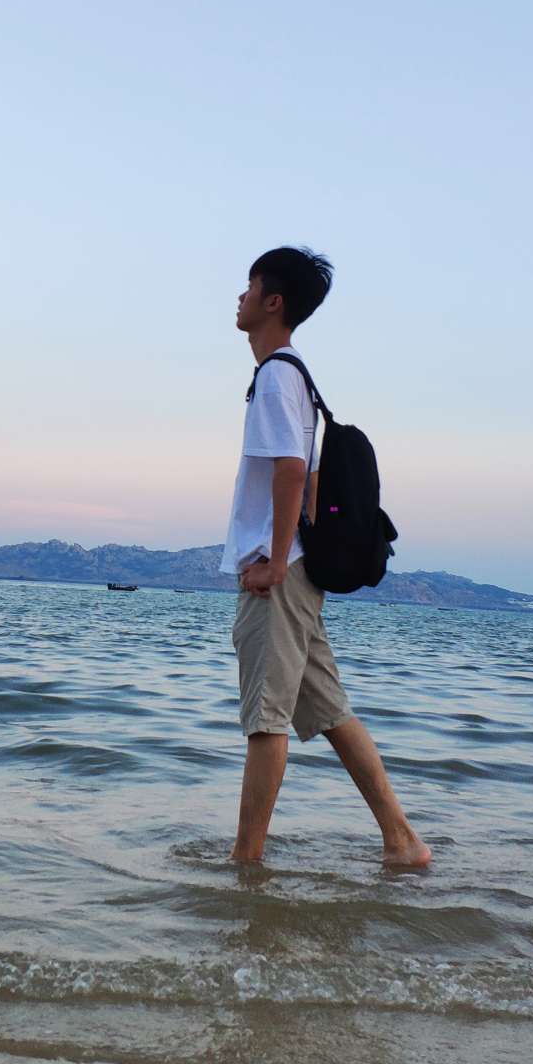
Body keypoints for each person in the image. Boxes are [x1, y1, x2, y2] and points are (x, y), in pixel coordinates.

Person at [224, 246, 429, 868]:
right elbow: (310, 478)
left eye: (249, 286)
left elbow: (291, 471)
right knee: (333, 714)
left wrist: (274, 560)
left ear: (273, 302)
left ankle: (247, 863)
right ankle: (402, 841)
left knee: (266, 721)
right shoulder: (300, 380)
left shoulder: (276, 377)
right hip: (299, 572)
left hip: (279, 576)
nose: (239, 297)